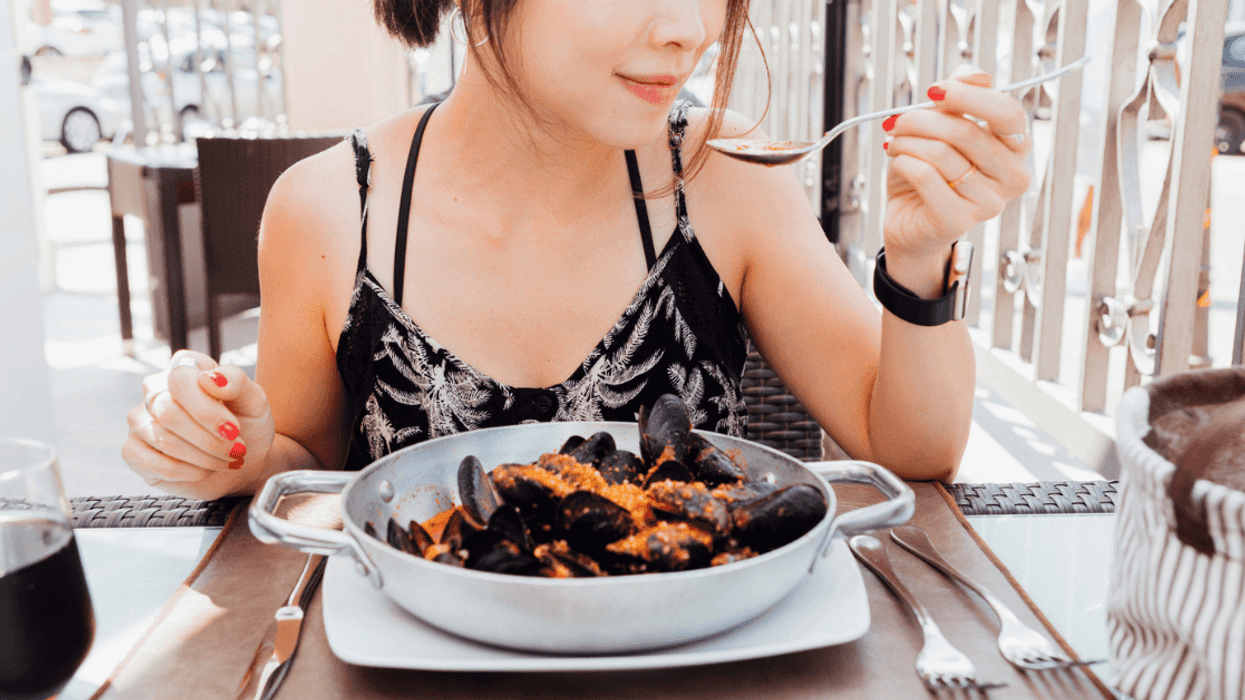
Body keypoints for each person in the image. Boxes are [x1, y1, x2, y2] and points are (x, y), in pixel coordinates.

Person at [123, 0, 1033, 500]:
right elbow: (307, 473)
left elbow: (913, 449)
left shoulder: (724, 180)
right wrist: (240, 457)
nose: (690, 28)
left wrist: (921, 258)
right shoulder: (329, 209)